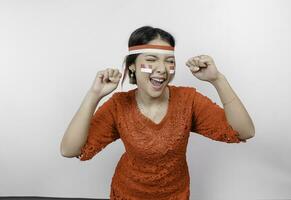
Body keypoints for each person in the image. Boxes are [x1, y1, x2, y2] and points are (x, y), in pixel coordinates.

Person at [60, 26, 255, 200]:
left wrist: (217, 79)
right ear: (132, 66)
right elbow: (69, 150)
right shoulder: (118, 106)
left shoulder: (189, 100)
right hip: (128, 194)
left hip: (175, 194)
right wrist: (94, 95)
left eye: (169, 61)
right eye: (151, 60)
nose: (162, 69)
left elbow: (244, 131)